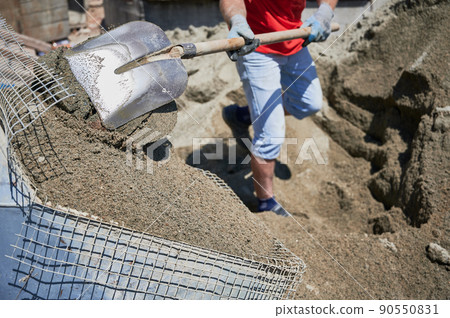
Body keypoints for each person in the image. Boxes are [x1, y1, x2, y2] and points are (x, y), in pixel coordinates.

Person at [219, 0, 338, 216]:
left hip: (293, 39)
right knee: (270, 135)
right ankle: (266, 203)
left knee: (308, 103)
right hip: (255, 43)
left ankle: (242, 116)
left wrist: (324, 12)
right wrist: (236, 20)